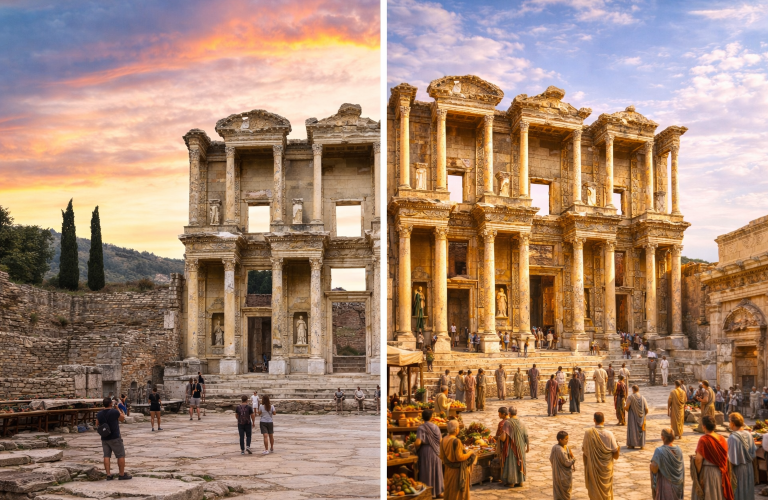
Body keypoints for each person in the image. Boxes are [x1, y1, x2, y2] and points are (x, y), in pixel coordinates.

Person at [692, 415, 732, 500]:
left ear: (704, 426)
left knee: (710, 495)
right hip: (721, 472)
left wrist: (698, 475)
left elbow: (698, 460)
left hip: (709, 472)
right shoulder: (722, 438)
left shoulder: (704, 439)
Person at [582, 412, 619, 500]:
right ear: (604, 420)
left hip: (593, 467)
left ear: (594, 420)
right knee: (606, 491)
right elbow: (615, 454)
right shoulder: (609, 434)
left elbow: (585, 452)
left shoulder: (588, 433)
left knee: (594, 490)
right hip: (606, 468)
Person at [96, 397, 131, 480]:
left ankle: (108, 475)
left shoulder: (99, 413)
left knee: (106, 456)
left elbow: (97, 423)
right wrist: (117, 408)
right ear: (110, 404)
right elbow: (122, 418)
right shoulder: (114, 412)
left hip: (104, 437)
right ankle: (121, 474)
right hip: (115, 436)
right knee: (120, 455)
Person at [440, 419, 475, 500]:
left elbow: (441, 456)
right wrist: (470, 453)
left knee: (449, 491)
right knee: (457, 493)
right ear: (455, 429)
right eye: (458, 427)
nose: (459, 429)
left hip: (448, 470)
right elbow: (460, 457)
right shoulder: (456, 441)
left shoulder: (443, 439)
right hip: (457, 472)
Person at [413, 409, 443, 497]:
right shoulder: (436, 427)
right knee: (437, 471)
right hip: (437, 452)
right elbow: (440, 440)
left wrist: (413, 445)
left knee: (427, 471)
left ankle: (427, 493)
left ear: (422, 417)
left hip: (426, 452)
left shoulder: (421, 428)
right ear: (431, 417)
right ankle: (438, 492)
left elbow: (418, 442)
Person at [649, 428, 685, 500]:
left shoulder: (659, 451)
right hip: (678, 485)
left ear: (663, 437)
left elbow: (654, 469)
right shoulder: (678, 449)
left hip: (666, 484)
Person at [727, 412, 755, 500]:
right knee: (747, 492)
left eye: (729, 421)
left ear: (733, 423)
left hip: (738, 470)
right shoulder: (749, 434)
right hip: (749, 468)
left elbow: (731, 460)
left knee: (738, 493)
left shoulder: (733, 438)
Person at [500, 405, 528, 487]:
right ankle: (520, 481)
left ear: (509, 413)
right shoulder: (522, 422)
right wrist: (528, 447)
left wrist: (498, 438)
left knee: (512, 462)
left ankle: (512, 482)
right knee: (520, 462)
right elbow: (526, 436)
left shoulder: (507, 422)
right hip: (521, 446)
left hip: (512, 446)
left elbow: (503, 437)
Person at [550, 430, 576, 500]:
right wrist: (573, 459)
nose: (567, 441)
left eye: (567, 439)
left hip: (556, 473)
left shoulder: (554, 447)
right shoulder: (561, 450)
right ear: (560, 440)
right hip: (564, 475)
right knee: (565, 491)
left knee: (558, 490)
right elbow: (567, 463)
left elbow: (551, 458)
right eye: (566, 439)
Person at [625, 385, 649, 449]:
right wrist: (644, 415)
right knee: (641, 430)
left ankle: (632, 444)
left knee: (633, 430)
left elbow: (627, 407)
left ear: (633, 390)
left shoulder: (630, 397)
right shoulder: (643, 398)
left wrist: (627, 409)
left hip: (633, 416)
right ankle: (641, 445)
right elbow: (646, 409)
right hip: (641, 417)